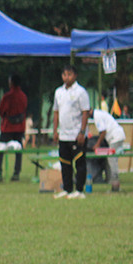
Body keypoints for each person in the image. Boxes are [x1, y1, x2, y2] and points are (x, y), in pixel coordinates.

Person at [52, 64, 91, 200]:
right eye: (64, 74)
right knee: (65, 163)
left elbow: (85, 113)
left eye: (69, 74)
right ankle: (67, 189)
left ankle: (79, 190)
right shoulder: (58, 92)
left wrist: (82, 132)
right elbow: (56, 112)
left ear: (75, 76)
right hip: (64, 135)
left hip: (76, 134)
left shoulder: (81, 92)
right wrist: (55, 131)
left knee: (79, 162)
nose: (66, 77)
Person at [0, 74, 27, 182]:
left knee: (0, 150)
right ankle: (16, 173)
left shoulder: (7, 96)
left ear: (11, 83)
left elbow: (0, 111)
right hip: (20, 127)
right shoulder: (23, 96)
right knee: (18, 151)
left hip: (8, 127)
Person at [90, 107, 126, 191]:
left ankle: (115, 185)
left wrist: (97, 144)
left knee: (112, 159)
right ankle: (111, 180)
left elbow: (103, 132)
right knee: (111, 159)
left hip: (115, 137)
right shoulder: (99, 113)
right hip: (117, 136)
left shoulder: (97, 116)